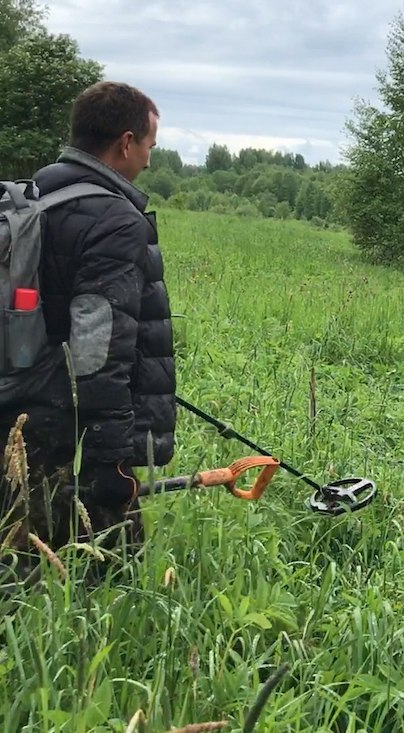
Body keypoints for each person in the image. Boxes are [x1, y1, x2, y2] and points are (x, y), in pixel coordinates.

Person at [0, 81, 176, 588]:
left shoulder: (30, 197)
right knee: (108, 571)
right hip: (59, 422)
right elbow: (100, 347)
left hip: (15, 402)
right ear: (125, 143)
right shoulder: (115, 219)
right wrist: (112, 462)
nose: (147, 160)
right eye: (148, 147)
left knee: (17, 540)